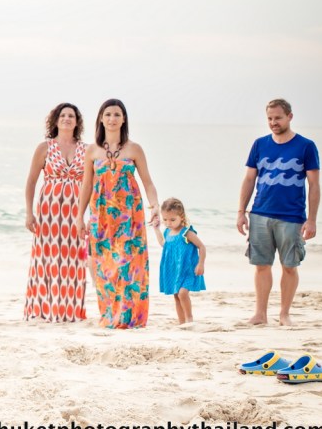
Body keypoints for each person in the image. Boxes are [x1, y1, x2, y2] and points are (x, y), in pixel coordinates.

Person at [236, 98, 320, 327]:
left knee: (290, 266)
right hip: (260, 213)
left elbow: (314, 185)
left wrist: (312, 219)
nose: (273, 122)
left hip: (292, 217)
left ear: (290, 117)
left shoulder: (306, 146)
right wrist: (241, 212)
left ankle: (284, 314)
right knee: (261, 265)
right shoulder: (259, 144)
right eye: (270, 118)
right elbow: (249, 179)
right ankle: (260, 314)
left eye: (278, 118)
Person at [78, 98, 160, 329]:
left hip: (130, 215)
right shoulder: (92, 150)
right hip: (101, 215)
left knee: (129, 265)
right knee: (104, 266)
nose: (112, 119)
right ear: (101, 119)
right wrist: (80, 216)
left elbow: (148, 182)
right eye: (108, 114)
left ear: (123, 119)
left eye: (116, 114)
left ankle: (130, 317)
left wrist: (155, 206)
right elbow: (86, 185)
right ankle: (110, 316)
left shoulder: (134, 149)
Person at [23, 102, 88, 322]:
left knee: (74, 260)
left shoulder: (86, 149)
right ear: (56, 120)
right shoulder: (45, 148)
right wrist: (29, 213)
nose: (67, 119)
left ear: (77, 122)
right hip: (48, 212)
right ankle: (44, 310)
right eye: (63, 116)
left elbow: (93, 184)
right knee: (47, 259)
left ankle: (70, 311)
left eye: (71, 116)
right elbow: (31, 181)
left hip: (76, 213)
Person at [153, 197, 206, 324]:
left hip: (188, 269)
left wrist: (201, 264)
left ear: (181, 217)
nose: (168, 223)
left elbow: (201, 247)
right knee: (176, 295)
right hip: (174, 270)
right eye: (165, 219)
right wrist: (156, 229)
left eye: (172, 220)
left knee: (182, 293)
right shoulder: (167, 232)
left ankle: (189, 319)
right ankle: (181, 322)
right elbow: (163, 244)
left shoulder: (186, 233)